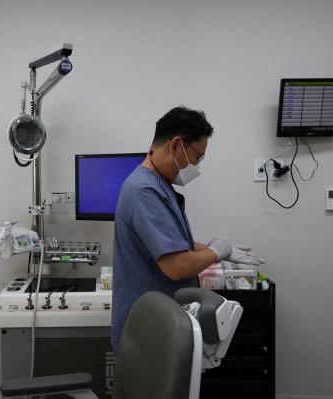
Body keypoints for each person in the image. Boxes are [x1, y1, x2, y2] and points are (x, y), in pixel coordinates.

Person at [111, 106, 264, 352]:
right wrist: (214, 252)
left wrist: (223, 251)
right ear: (175, 146)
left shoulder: (158, 186)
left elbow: (177, 241)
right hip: (150, 329)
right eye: (198, 156)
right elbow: (176, 265)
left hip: (161, 322)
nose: (197, 165)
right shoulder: (144, 191)